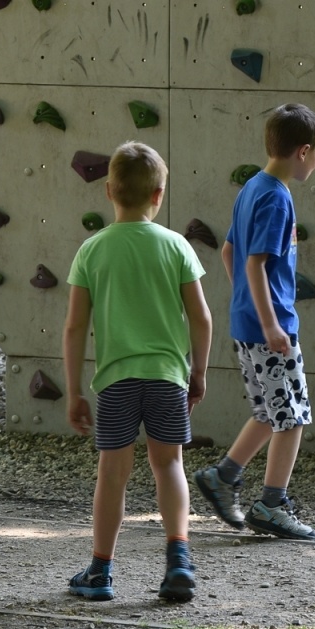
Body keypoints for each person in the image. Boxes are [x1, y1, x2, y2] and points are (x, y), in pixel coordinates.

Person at [63, 142, 213, 604]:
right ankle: (178, 560)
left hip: (116, 382)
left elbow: (74, 327)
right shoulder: (176, 246)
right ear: (158, 195)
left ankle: (100, 571)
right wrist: (198, 372)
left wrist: (73, 391)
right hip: (167, 377)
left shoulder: (92, 250)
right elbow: (202, 318)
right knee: (169, 464)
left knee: (112, 473)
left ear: (108, 190)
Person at [192, 103, 315, 541]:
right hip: (271, 326)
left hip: (247, 322)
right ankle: (272, 504)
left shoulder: (252, 186)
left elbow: (229, 251)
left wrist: (247, 304)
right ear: (303, 151)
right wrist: (270, 323)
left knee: (271, 412)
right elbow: (254, 263)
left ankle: (223, 477)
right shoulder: (276, 197)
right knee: (293, 417)